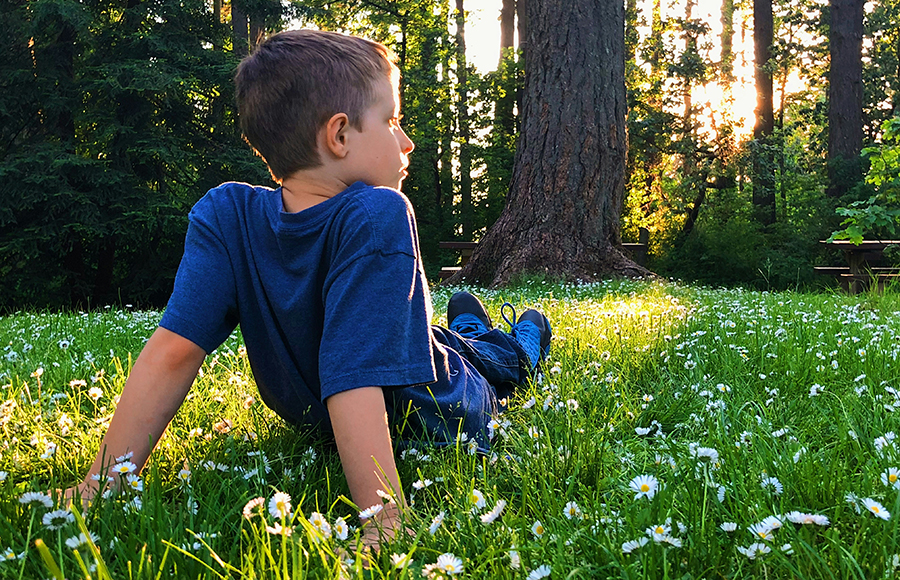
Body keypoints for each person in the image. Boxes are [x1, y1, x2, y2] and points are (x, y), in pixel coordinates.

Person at [66, 29, 551, 548]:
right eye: (391, 121)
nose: (406, 141)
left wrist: (103, 483)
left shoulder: (225, 215)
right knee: (471, 355)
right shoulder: (374, 212)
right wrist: (383, 516)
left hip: (432, 389)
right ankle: (495, 337)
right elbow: (347, 378)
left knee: (478, 359)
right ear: (339, 136)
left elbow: (171, 353)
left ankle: (508, 336)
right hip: (434, 409)